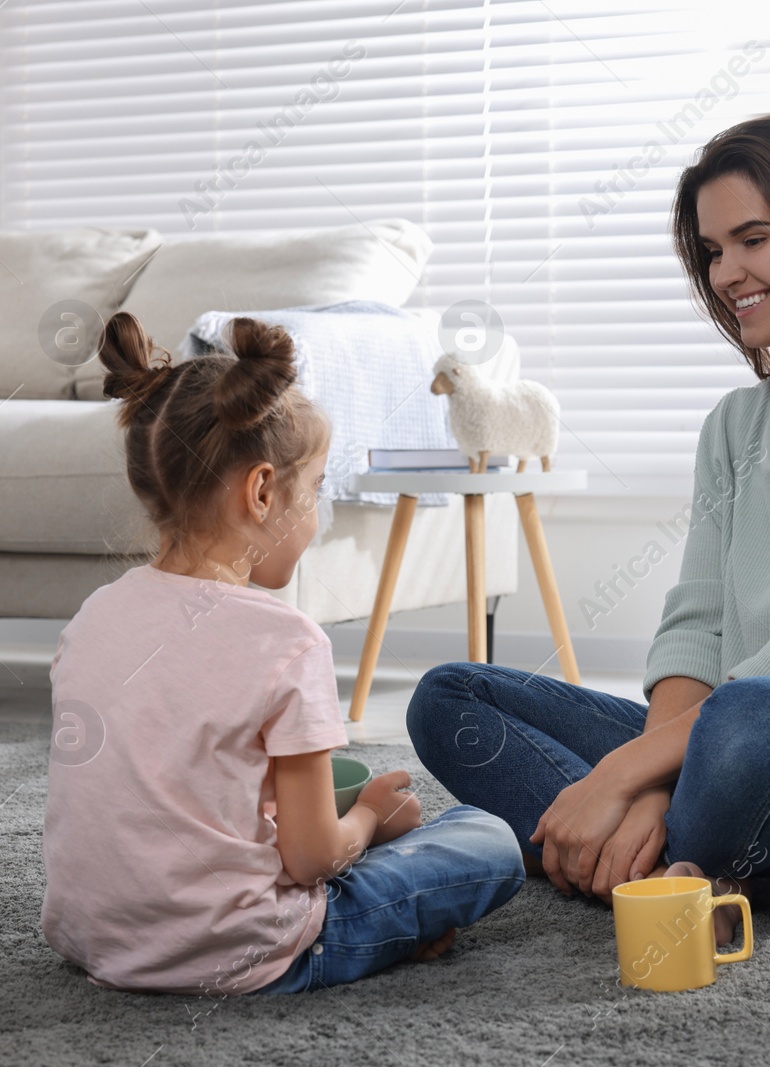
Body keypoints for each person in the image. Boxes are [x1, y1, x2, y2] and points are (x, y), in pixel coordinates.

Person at [407, 110, 770, 943]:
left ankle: (641, 854)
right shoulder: (732, 425)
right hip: (728, 748)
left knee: (763, 713)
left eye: (752, 239)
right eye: (713, 250)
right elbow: (697, 627)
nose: (727, 272)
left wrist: (618, 771)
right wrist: (646, 785)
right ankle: (675, 857)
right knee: (451, 698)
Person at [41, 312, 524, 998]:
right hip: (241, 950)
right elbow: (311, 857)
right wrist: (367, 820)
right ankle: (387, 931)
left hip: (98, 939)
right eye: (317, 488)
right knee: (484, 838)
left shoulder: (90, 619)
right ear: (263, 491)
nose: (318, 513)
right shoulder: (288, 640)